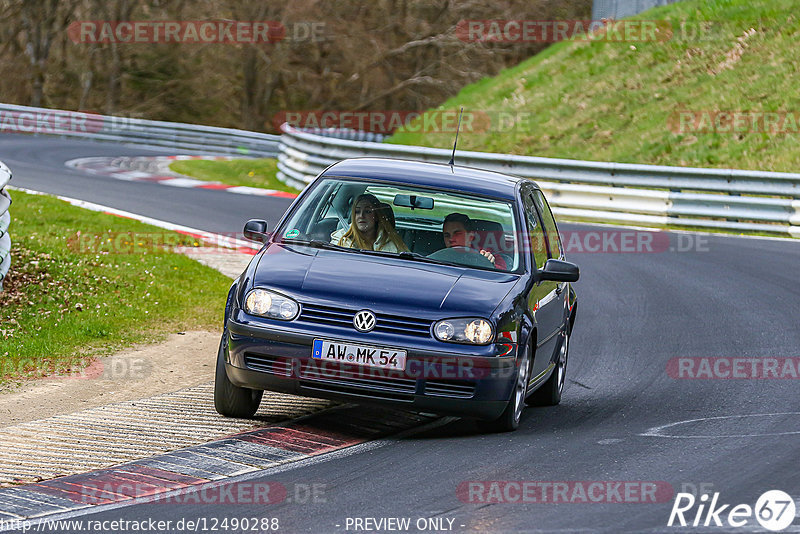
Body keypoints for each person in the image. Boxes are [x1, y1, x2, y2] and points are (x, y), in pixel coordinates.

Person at [331, 193, 409, 252]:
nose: (361, 216)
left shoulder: (393, 242)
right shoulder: (340, 241)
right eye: (357, 211)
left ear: (377, 216)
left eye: (367, 211)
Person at [442, 213, 507, 269]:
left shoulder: (485, 255)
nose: (451, 239)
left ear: (470, 236)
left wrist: (491, 263)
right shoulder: (438, 256)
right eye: (447, 235)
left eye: (457, 234)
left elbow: (503, 273)